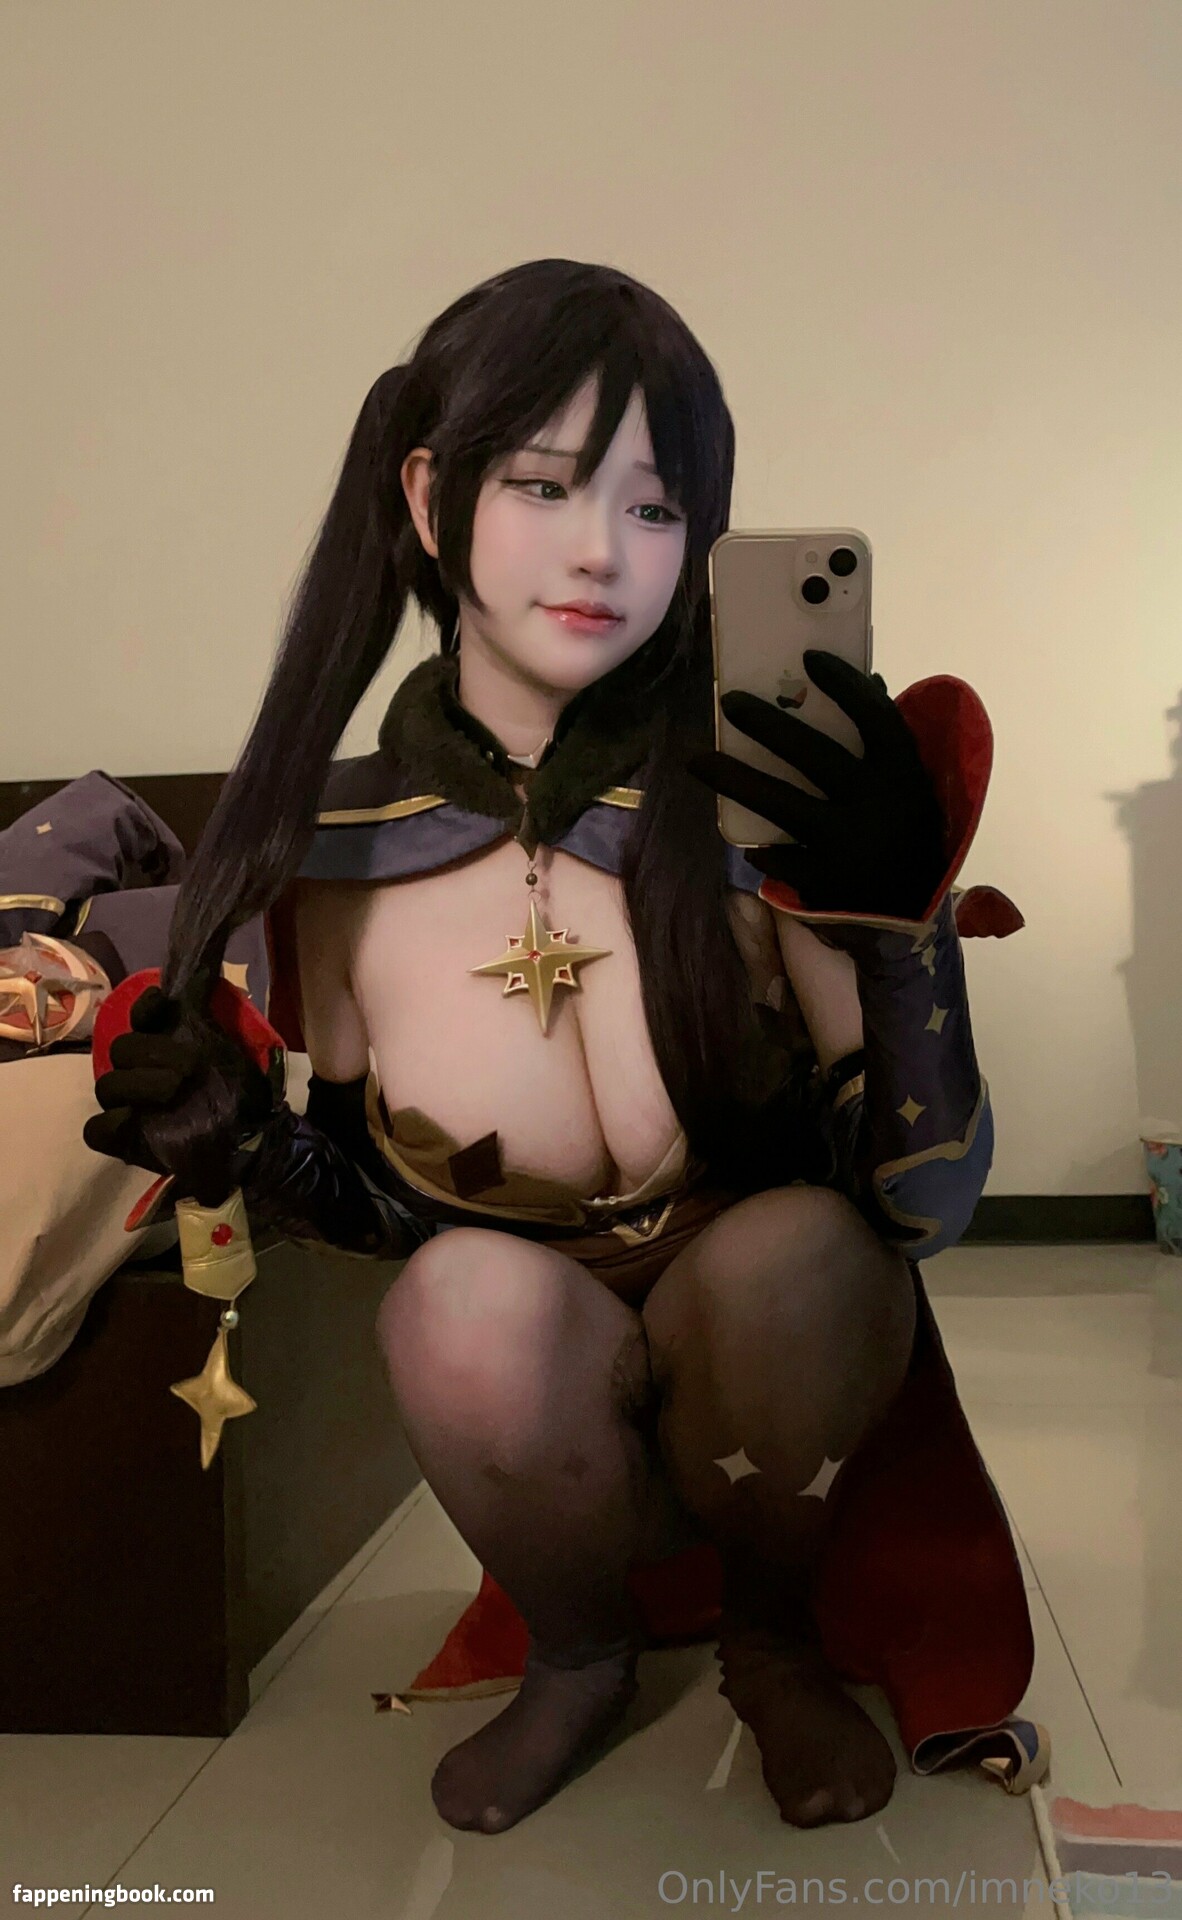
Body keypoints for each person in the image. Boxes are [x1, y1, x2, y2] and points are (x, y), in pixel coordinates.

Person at [85, 258, 1034, 1839]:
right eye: (542, 484)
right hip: (533, 1367)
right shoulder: (333, 856)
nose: (601, 550)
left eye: (656, 508)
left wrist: (894, 928)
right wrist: (234, 1134)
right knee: (455, 1299)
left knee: (800, 1254)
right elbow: (376, 1217)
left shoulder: (757, 810)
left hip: (771, 1347)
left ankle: (771, 1635)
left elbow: (921, 1212)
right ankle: (578, 1653)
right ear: (427, 495)